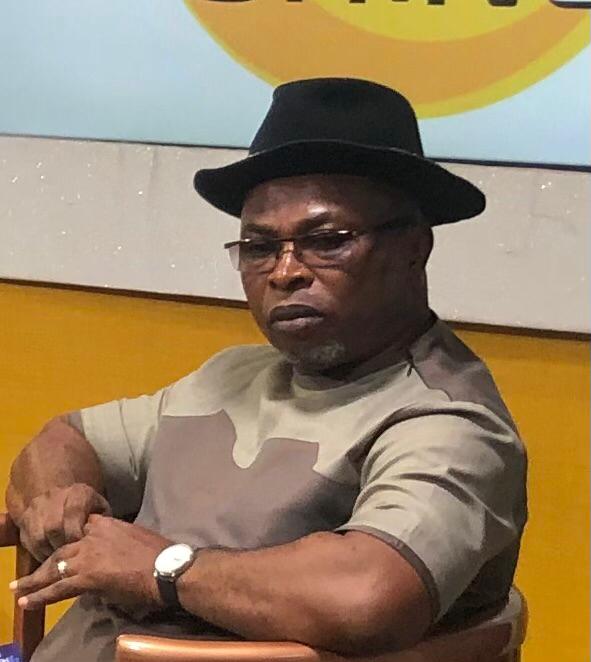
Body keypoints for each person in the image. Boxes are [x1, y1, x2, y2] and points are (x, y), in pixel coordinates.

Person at [7, 78, 527, 662]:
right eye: (258, 248)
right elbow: (65, 438)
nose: (284, 272)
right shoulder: (230, 375)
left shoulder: (447, 421)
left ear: (414, 248)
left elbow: (367, 598)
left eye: (326, 241)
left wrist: (161, 568)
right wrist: (58, 499)